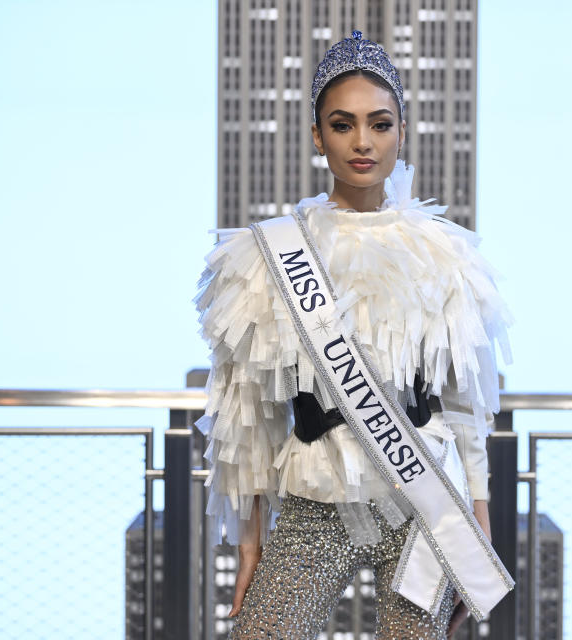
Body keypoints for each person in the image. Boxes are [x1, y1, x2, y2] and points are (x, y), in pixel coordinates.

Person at [193, 29, 513, 640]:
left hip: (426, 501)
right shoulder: (268, 256)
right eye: (342, 125)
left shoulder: (444, 253)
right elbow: (248, 420)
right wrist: (250, 546)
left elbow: (466, 406)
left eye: (380, 123)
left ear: (401, 132)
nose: (363, 142)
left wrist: (478, 519)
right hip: (317, 492)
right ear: (317, 135)